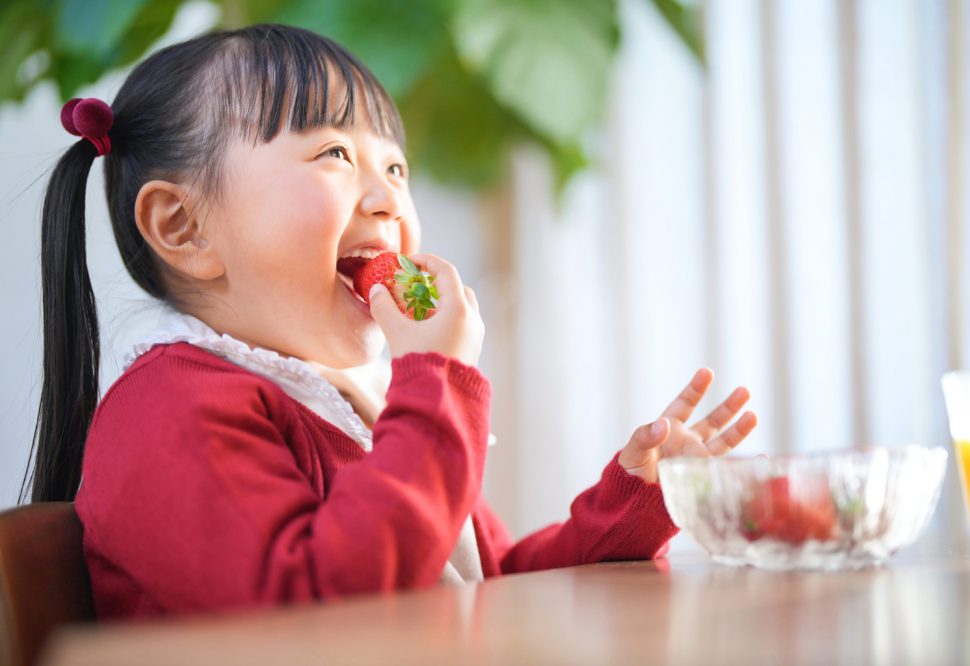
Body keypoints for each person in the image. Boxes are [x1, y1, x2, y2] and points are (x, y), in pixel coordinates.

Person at [25, 24, 757, 620]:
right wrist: (437, 382)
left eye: (397, 169)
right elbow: (330, 612)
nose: (387, 202)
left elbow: (484, 582)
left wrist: (632, 501)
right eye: (335, 154)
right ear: (183, 228)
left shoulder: (364, 405)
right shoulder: (168, 412)